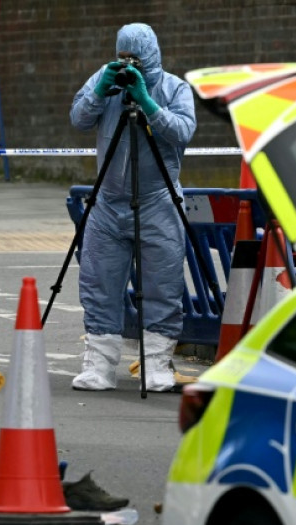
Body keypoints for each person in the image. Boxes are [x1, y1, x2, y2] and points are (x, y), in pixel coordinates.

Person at [69, 23, 196, 392]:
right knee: (98, 282)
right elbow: (78, 119)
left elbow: (183, 131)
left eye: (135, 57)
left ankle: (157, 365)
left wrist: (148, 103)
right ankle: (99, 365)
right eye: (122, 56)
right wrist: (99, 91)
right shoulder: (106, 79)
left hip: (157, 200)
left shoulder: (174, 88)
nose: (129, 63)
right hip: (108, 201)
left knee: (162, 284)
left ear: (151, 54)